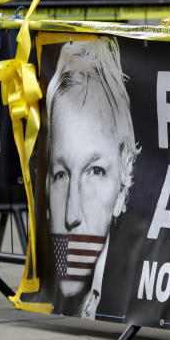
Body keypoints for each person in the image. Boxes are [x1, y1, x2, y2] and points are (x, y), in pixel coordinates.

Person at [44, 37, 139, 317]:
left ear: (122, 185)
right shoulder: (44, 284)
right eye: (60, 174)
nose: (72, 214)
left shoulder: (147, 289)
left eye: (95, 171)